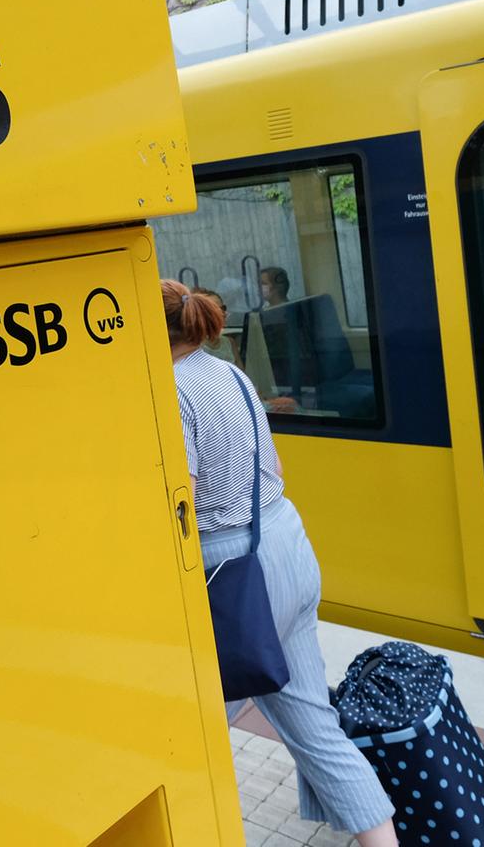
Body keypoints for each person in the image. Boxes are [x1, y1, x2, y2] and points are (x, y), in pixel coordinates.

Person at [162, 280, 398, 847]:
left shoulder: (169, 391)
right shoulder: (232, 374)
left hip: (233, 573)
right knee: (317, 728)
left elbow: (182, 505)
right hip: (285, 541)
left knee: (186, 730)